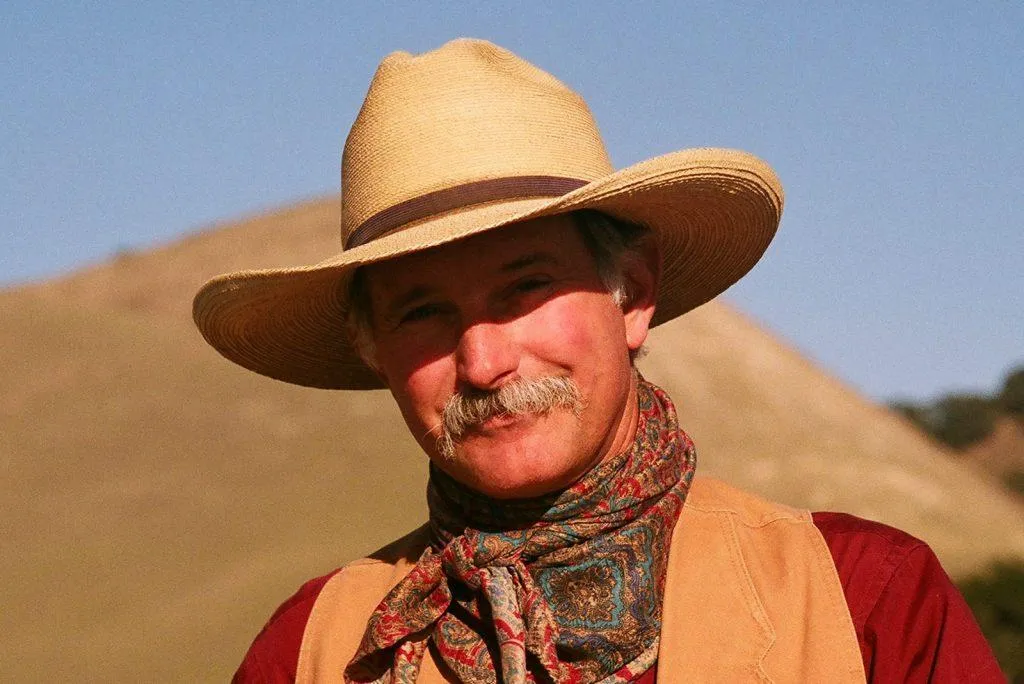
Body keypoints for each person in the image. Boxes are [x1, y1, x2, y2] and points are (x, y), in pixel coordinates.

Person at [193, 39, 1002, 683]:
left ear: (635, 294)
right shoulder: (312, 652)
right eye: (422, 313)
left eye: (525, 288)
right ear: (375, 350)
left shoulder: (863, 602)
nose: (483, 361)